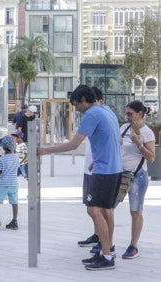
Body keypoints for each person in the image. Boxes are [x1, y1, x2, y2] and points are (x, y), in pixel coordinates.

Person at [37, 85, 122, 271]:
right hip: (113, 168)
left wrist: (45, 150)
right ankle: (105, 252)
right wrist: (98, 159)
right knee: (106, 210)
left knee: (93, 211)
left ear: (84, 100)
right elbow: (115, 139)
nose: (77, 109)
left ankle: (107, 257)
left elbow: (74, 145)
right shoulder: (107, 110)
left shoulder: (91, 114)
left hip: (104, 171)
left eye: (76, 105)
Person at [119, 100, 155, 259]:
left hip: (138, 176)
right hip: (120, 174)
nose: (127, 116)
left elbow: (152, 157)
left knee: (135, 211)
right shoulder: (124, 128)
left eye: (130, 114)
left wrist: (139, 143)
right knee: (107, 208)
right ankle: (105, 243)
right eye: (126, 113)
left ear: (140, 114)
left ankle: (133, 246)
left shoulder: (147, 133)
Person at [78, 87, 103, 248]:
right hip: (89, 169)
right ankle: (98, 235)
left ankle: (106, 244)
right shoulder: (93, 116)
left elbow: (74, 142)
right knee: (91, 208)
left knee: (101, 210)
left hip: (100, 170)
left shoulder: (99, 115)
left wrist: (46, 150)